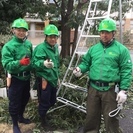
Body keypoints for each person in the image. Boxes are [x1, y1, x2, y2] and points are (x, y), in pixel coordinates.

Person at [73, 18, 132, 133]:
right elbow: (86, 62)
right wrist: (80, 69)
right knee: (91, 117)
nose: (104, 35)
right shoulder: (94, 49)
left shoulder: (121, 50)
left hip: (110, 90)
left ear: (113, 33)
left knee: (110, 119)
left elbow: (126, 70)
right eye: (102, 32)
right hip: (93, 89)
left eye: (107, 32)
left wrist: (123, 90)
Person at [1, 18, 32, 133]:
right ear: (13, 30)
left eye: (23, 30)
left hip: (26, 78)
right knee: (14, 102)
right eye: (18, 30)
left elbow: (31, 60)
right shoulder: (8, 46)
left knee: (24, 99)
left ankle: (20, 117)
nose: (21, 32)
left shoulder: (28, 44)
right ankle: (15, 124)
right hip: (15, 78)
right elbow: (7, 64)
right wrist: (19, 62)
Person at [32, 24, 60, 128]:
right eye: (50, 37)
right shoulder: (41, 48)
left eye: (54, 37)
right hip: (44, 80)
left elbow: (57, 63)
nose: (53, 39)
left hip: (53, 79)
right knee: (44, 102)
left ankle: (44, 114)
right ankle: (43, 122)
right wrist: (43, 63)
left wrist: (58, 77)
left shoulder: (55, 47)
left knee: (52, 101)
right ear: (46, 37)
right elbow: (34, 63)